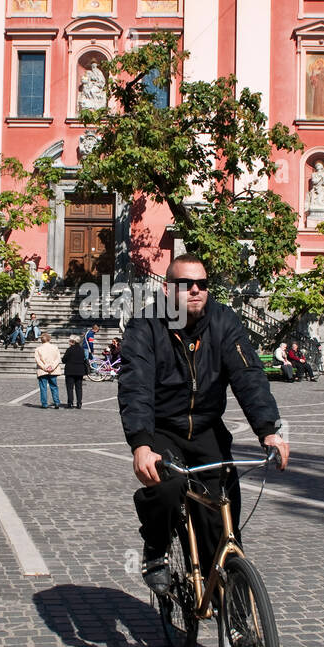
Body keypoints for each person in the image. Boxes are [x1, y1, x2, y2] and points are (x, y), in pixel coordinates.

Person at [118, 253, 289, 595]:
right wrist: (141, 444)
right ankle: (155, 550)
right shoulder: (147, 325)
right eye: (186, 284)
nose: (195, 290)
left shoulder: (225, 322)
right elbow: (135, 385)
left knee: (222, 524)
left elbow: (248, 376)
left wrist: (269, 431)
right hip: (164, 431)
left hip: (209, 431)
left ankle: (238, 618)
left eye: (202, 284)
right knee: (165, 487)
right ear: (168, 289)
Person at [34, 332, 62, 409]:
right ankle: (56, 402)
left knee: (43, 387)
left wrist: (44, 367)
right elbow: (58, 358)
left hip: (42, 370)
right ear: (49, 339)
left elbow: (38, 360)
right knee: (54, 386)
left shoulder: (38, 349)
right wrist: (52, 366)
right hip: (53, 370)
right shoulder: (55, 347)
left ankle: (44, 404)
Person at [63, 335, 87, 408]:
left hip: (70, 370)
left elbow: (64, 360)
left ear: (72, 341)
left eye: (70, 340)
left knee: (70, 388)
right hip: (80, 370)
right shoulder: (82, 349)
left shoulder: (69, 349)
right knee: (79, 387)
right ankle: (79, 403)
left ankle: (70, 403)